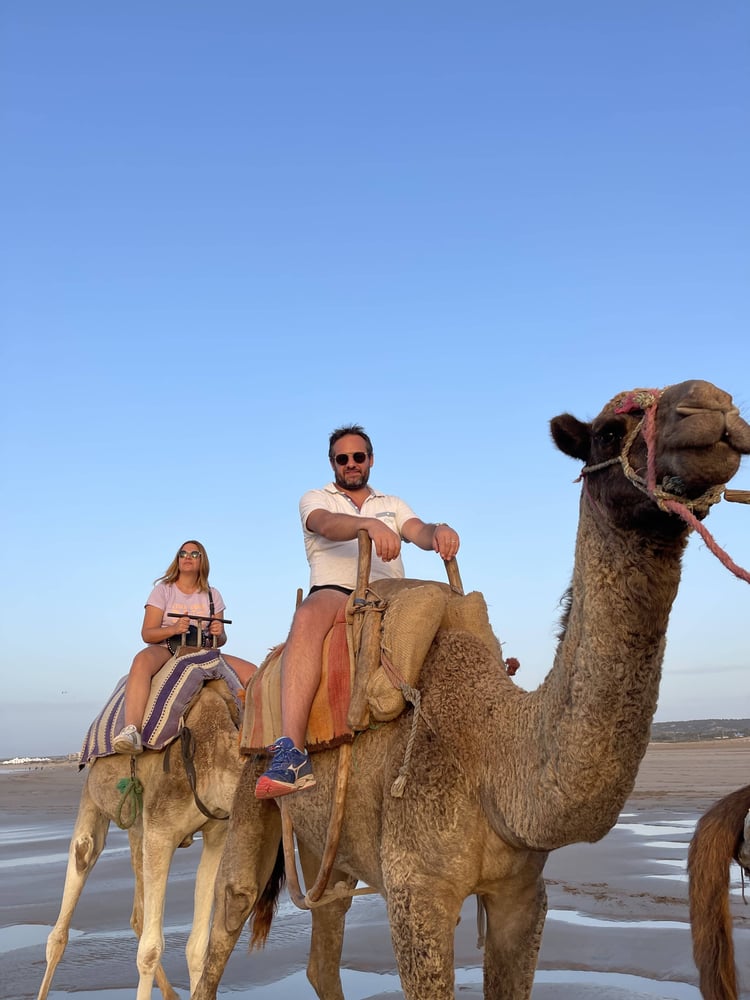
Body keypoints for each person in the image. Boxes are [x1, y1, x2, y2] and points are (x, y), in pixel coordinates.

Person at [255, 424, 460, 799]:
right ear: (333, 463)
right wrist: (366, 525)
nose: (351, 464)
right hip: (336, 591)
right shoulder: (316, 497)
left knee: (453, 606)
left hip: (390, 591)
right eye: (343, 458)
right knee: (306, 618)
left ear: (371, 460)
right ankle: (292, 752)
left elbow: (417, 531)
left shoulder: (392, 504)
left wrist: (439, 532)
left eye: (358, 457)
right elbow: (326, 525)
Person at [113, 540, 257, 754]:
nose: (187, 557)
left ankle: (260, 734)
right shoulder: (163, 591)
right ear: (178, 559)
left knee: (255, 673)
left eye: (194, 554)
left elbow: (221, 640)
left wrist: (220, 632)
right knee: (141, 661)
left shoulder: (212, 595)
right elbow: (148, 633)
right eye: (183, 553)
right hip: (167, 649)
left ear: (203, 560)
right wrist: (173, 629)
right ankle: (132, 730)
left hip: (203, 652)